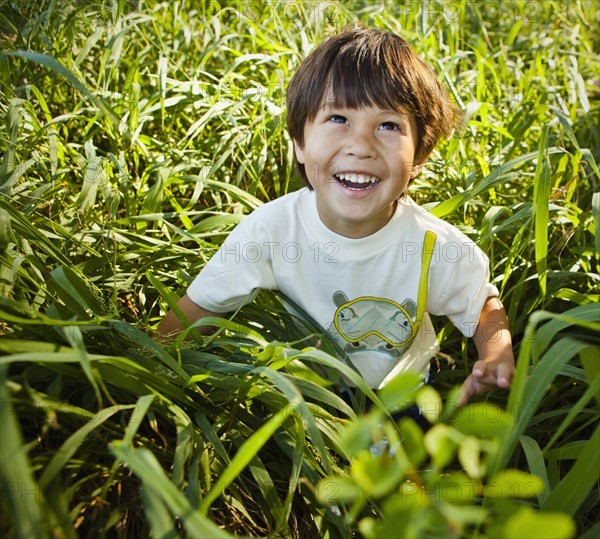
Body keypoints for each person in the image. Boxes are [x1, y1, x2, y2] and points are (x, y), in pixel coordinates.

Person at [158, 26, 514, 408]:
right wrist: (150, 364)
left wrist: (495, 356)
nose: (361, 146)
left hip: (404, 393)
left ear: (419, 158)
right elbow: (200, 308)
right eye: (338, 118)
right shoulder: (272, 230)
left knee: (414, 463)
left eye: (388, 125)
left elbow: (481, 307)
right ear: (299, 142)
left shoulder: (433, 245)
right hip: (306, 395)